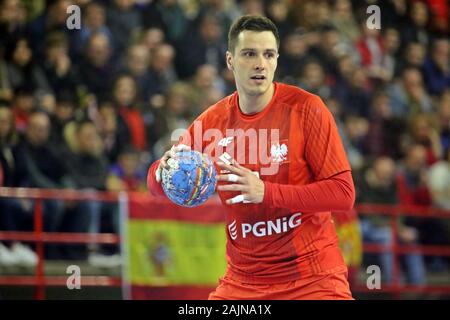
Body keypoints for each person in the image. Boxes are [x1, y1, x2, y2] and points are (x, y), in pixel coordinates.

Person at [147, 15, 355, 300]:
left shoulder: (307, 109)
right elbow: (156, 186)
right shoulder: (213, 122)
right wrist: (162, 172)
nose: (260, 63)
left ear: (277, 60)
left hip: (312, 280)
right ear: (230, 61)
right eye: (249, 54)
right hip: (243, 283)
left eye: (268, 54)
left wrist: (266, 192)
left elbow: (343, 195)